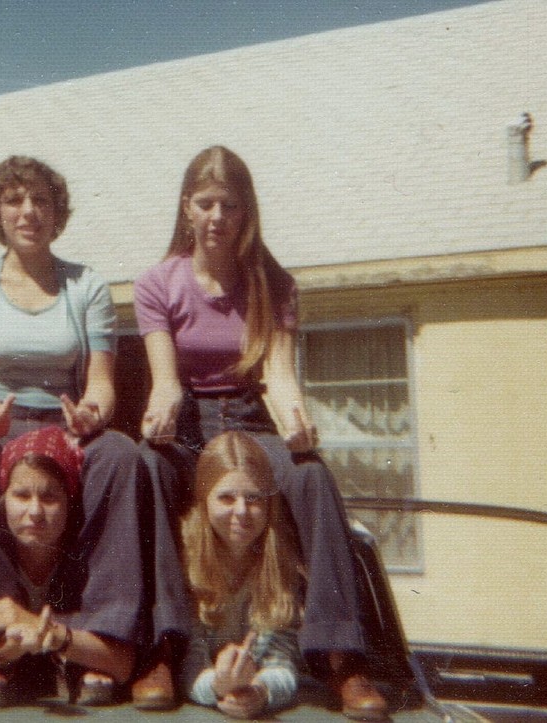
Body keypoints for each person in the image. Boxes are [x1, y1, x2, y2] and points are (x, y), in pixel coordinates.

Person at [135, 146, 388, 721]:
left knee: (311, 475)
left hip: (252, 419)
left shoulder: (274, 284)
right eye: (206, 204)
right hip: (190, 417)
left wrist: (297, 421)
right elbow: (165, 379)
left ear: (247, 212)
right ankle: (164, 648)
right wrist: (161, 408)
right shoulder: (157, 283)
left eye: (230, 205)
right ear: (186, 208)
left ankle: (342, 659)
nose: (217, 217)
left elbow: (279, 375)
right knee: (145, 464)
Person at [0, 155, 182, 708]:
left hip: (65, 425)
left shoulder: (85, 286)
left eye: (40, 201)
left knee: (120, 454)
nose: (28, 212)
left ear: (57, 213)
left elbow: (101, 383)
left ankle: (101, 638)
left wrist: (92, 413)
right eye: (14, 200)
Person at [0, 426, 135, 707]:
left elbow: (122, 663)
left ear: (69, 502)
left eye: (50, 498)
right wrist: (7, 650)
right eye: (21, 496)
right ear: (4, 499)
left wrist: (42, 629)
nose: (35, 512)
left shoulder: (83, 557)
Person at [181, 431, 304, 719]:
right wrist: (218, 685)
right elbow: (187, 665)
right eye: (226, 498)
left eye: (253, 498)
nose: (241, 511)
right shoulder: (184, 558)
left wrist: (260, 691)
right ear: (204, 500)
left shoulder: (280, 560)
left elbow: (283, 662)